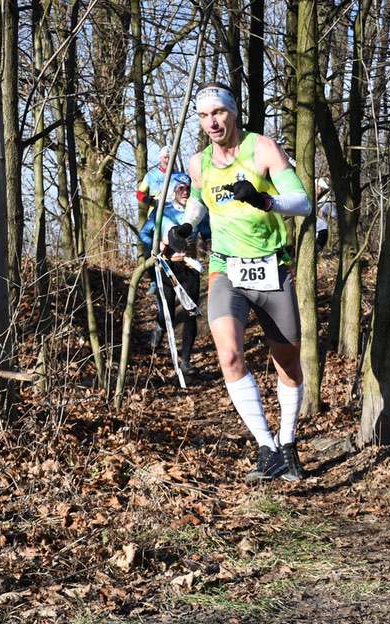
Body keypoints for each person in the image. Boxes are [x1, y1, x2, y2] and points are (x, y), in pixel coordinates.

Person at [182, 81, 312, 482]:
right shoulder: (199, 163)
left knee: (288, 362)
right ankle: (266, 447)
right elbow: (198, 203)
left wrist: (263, 199)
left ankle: (287, 442)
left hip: (272, 266)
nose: (211, 122)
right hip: (226, 269)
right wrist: (185, 227)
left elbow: (303, 202)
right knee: (229, 357)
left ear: (233, 112)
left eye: (218, 112)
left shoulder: (263, 149)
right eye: (204, 116)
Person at [149, 176, 204, 377]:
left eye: (188, 188)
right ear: (173, 191)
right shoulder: (162, 211)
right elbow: (145, 235)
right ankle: (159, 328)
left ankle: (186, 361)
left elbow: (210, 235)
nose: (185, 191)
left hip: (189, 268)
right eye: (181, 188)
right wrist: (159, 246)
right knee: (168, 312)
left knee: (191, 313)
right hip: (166, 267)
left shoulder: (198, 212)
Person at [138, 145, 187, 293]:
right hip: (155, 219)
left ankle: (178, 282)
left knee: (174, 252)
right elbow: (139, 193)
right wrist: (147, 199)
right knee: (151, 250)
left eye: (170, 157)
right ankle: (154, 281)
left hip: (174, 219)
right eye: (165, 157)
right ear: (160, 158)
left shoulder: (179, 176)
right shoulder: (151, 175)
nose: (167, 160)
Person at [315, 177, 334, 252]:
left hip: (321, 233)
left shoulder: (325, 201)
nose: (319, 190)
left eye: (321, 188)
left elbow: (335, 214)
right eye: (318, 187)